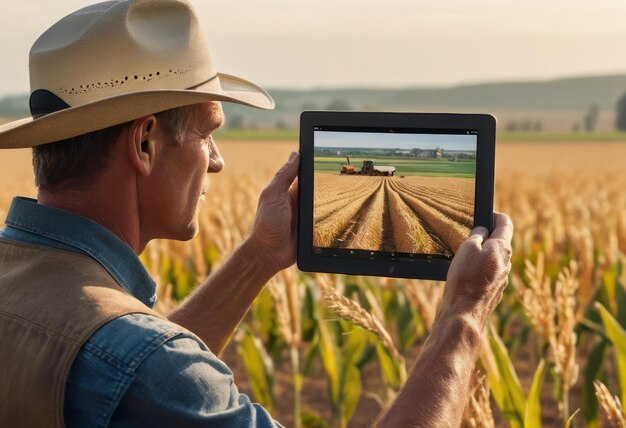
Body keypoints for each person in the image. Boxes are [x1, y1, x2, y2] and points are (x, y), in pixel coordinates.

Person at [0, 1, 513, 427]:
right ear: (146, 143)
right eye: (206, 133)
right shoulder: (148, 365)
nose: (217, 161)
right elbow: (141, 365)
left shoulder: (46, 303)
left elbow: (119, 371)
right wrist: (463, 315)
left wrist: (261, 256)